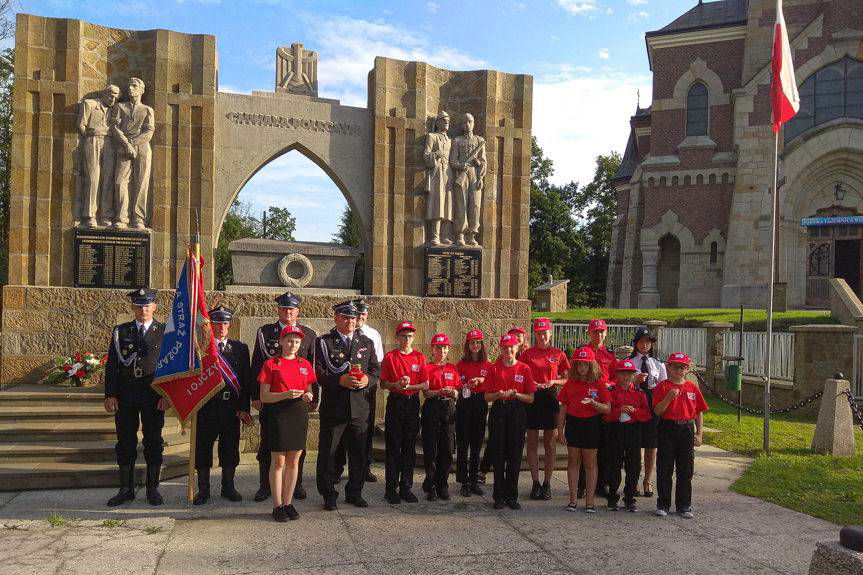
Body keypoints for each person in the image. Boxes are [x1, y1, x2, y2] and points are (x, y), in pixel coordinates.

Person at [104, 288, 169, 507]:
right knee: (125, 442)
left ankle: (153, 488)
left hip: (153, 394)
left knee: (153, 442)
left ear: (155, 307)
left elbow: (170, 367)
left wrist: (167, 395)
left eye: (147, 305)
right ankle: (125, 489)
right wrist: (110, 394)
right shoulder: (121, 331)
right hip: (126, 394)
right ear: (133, 308)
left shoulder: (164, 331)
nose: (143, 309)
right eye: (139, 305)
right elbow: (112, 365)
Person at [250, 292, 317, 503]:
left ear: (298, 311)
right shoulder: (265, 332)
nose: (288, 311)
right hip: (273, 403)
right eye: (284, 308)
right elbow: (256, 365)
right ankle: (265, 486)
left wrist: (314, 398)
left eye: (292, 308)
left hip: (298, 406)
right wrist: (255, 396)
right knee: (268, 445)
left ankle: (295, 485)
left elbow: (312, 370)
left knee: (297, 450)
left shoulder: (309, 334)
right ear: (278, 310)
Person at [315, 301, 380, 511]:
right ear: (336, 318)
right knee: (329, 454)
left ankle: (355, 492)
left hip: (359, 409)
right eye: (345, 317)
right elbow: (318, 372)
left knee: (358, 454)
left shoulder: (366, 342)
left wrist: (367, 381)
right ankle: (329, 495)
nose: (350, 321)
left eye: (353, 317)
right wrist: (338, 381)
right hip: (334, 408)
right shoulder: (324, 342)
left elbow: (375, 370)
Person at [193, 306, 252, 506]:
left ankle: (228, 486)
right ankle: (203, 489)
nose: (221, 327)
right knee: (203, 449)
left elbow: (246, 381)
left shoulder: (240, 349)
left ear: (229, 325)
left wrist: (244, 407)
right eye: (217, 323)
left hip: (231, 408)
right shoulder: (201, 348)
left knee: (229, 449)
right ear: (211, 325)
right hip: (206, 407)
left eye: (225, 323)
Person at [258, 325, 317, 521]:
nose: (293, 345)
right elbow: (264, 396)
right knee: (278, 462)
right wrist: (284, 394)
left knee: (294, 460)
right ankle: (277, 505)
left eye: (297, 341)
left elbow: (309, 389)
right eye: (290, 340)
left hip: (299, 414)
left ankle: (288, 501)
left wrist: (308, 395)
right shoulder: (271, 364)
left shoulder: (305, 364)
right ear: (281, 342)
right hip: (278, 414)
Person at [333, 298, 384, 484]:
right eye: (356, 314)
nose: (359, 317)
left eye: (362, 314)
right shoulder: (334, 338)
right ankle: (337, 469)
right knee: (340, 433)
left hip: (366, 392)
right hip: (342, 391)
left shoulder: (372, 335)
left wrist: (368, 381)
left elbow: (377, 364)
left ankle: (365, 467)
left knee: (365, 431)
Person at [652, 352, 708, 519]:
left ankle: (684, 505)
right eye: (675, 367)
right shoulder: (662, 387)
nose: (678, 370)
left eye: (682, 367)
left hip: (686, 428)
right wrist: (668, 398)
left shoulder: (692, 388)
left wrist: (699, 433)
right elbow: (657, 411)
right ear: (669, 367)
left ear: (687, 369)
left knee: (685, 469)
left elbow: (698, 412)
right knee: (665, 467)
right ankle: (663, 504)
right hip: (667, 427)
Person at [556, 347, 611, 513]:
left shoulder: (599, 384)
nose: (582, 368)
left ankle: (590, 501)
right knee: (573, 461)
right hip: (574, 424)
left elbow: (607, 408)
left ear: (591, 366)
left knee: (590, 463)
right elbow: (563, 408)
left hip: (591, 425)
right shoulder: (570, 384)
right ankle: (573, 500)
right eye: (579, 364)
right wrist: (560, 430)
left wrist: (595, 404)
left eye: (585, 365)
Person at [520, 317, 570, 501]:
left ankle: (547, 482)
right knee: (532, 442)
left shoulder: (558, 354)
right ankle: (535, 482)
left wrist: (553, 381)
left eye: (545, 333)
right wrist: (531, 382)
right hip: (533, 397)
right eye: (539, 333)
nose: (542, 336)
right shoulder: (527, 354)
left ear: (550, 333)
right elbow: (521, 374)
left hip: (550, 397)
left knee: (549, 443)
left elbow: (568, 378)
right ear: (535, 334)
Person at [380, 321, 429, 504]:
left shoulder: (419, 357)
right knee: (393, 446)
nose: (406, 339)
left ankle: (406, 487)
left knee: (409, 446)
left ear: (413, 337)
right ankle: (390, 488)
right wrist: (397, 384)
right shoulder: (390, 357)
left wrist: (410, 386)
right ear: (397, 337)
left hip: (412, 402)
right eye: (403, 336)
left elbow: (425, 384)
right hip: (396, 402)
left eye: (409, 336)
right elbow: (383, 383)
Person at [485, 334, 535, 510]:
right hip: (499, 410)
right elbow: (487, 396)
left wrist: (516, 395)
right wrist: (498, 395)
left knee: (514, 455)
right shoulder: (494, 369)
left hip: (517, 411)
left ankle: (511, 495)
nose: (509, 350)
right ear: (501, 349)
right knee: (498, 455)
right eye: (505, 347)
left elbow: (530, 397)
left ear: (517, 348)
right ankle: (498, 496)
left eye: (512, 347)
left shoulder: (524, 368)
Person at [477, 324, 528, 482]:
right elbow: (491, 386)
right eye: (514, 336)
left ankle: (510, 489)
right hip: (501, 406)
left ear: (521, 341)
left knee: (513, 449)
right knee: (496, 444)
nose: (517, 339)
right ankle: (485, 471)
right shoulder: (499, 362)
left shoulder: (525, 359)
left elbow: (528, 387)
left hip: (518, 406)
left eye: (519, 336)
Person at [576, 319, 617, 499]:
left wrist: (610, 384)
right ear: (589, 333)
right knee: (584, 444)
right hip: (586, 402)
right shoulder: (581, 352)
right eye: (595, 332)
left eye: (601, 332)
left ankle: (602, 483)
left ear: (606, 333)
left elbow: (616, 376)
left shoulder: (610, 355)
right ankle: (582, 485)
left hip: (604, 401)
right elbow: (574, 374)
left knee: (604, 446)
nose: (598, 335)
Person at [604, 359, 651, 512]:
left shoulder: (639, 393)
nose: (626, 377)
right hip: (615, 430)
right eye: (623, 373)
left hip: (633, 431)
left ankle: (630, 498)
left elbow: (646, 414)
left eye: (629, 374)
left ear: (633, 376)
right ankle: (612, 497)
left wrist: (634, 411)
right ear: (617, 375)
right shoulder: (611, 391)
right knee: (613, 465)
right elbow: (605, 414)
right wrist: (619, 411)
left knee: (634, 466)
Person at [628, 326, 667, 498]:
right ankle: (633, 479)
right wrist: (634, 381)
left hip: (652, 402)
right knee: (635, 444)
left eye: (647, 342)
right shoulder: (630, 362)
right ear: (636, 343)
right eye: (641, 341)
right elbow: (622, 383)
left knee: (651, 444)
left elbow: (664, 385)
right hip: (635, 400)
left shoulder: (657, 363)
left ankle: (647, 480)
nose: (644, 345)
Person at [110, 78, 154, 229]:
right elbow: (114, 127)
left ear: (142, 90)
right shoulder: (119, 107)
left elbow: (148, 132)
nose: (130, 88)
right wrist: (126, 144)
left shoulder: (147, 110)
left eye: (134, 86)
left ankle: (138, 218)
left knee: (141, 182)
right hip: (123, 145)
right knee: (120, 181)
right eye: (128, 85)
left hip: (142, 146)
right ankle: (121, 217)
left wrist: (132, 144)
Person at [421, 333, 460, 501]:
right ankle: (431, 485)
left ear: (448, 349)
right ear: (433, 349)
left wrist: (453, 392)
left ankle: (443, 483)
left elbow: (458, 391)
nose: (441, 350)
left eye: (444, 347)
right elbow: (425, 392)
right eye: (438, 347)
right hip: (432, 406)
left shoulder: (453, 368)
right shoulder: (427, 367)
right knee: (431, 449)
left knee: (447, 448)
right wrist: (439, 391)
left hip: (449, 408)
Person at [455, 329, 492, 497]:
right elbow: (456, 383)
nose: (475, 345)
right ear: (467, 345)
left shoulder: (488, 364)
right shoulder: (461, 364)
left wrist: (482, 380)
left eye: (478, 342)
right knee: (463, 444)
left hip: (480, 402)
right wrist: (464, 385)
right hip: (464, 402)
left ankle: (474, 480)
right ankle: (463, 481)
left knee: (477, 444)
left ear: (482, 344)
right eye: (472, 342)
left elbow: (493, 383)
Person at [77, 84, 120, 227]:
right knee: (92, 178)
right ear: (105, 93)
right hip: (93, 140)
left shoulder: (116, 109)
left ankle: (105, 215)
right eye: (111, 96)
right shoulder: (90, 104)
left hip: (110, 143)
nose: (113, 100)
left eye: (116, 97)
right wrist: (89, 138)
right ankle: (90, 215)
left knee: (107, 179)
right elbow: (81, 124)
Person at [449, 112, 486, 246]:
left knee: (475, 205)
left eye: (470, 121)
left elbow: (483, 161)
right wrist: (461, 165)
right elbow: (452, 161)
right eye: (465, 122)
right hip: (462, 174)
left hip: (475, 175)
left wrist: (481, 176)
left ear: (474, 123)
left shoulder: (480, 141)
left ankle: (471, 234)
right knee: (461, 204)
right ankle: (460, 234)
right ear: (462, 125)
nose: (467, 124)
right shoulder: (457, 140)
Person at [424, 110, 453, 246]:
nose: (447, 122)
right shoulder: (432, 136)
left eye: (448, 120)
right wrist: (435, 154)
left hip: (449, 173)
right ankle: (435, 236)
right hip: (436, 173)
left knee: (448, 205)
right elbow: (426, 155)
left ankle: (445, 235)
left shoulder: (450, 141)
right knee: (437, 204)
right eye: (444, 119)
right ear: (438, 122)